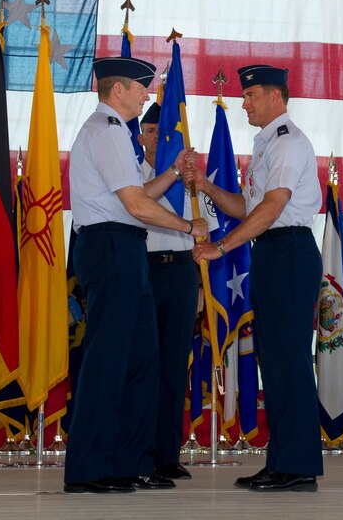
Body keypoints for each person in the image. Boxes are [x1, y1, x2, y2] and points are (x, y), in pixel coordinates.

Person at [64, 57, 207, 494]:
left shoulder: (117, 134)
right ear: (118, 91)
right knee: (108, 360)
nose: (148, 95)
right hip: (110, 246)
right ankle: (89, 468)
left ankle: (128, 462)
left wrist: (169, 171)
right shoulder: (106, 132)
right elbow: (135, 205)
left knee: (140, 360)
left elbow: (140, 192)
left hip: (126, 249)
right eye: (141, 88)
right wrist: (188, 227)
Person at [189, 64, 323, 492]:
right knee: (276, 361)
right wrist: (207, 189)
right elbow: (247, 207)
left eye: (251, 96)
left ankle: (298, 465)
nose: (244, 102)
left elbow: (273, 206)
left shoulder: (288, 143)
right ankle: (283, 461)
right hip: (272, 252)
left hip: (289, 251)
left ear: (276, 98)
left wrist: (222, 248)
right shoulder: (266, 144)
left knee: (291, 361)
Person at [137, 103, 202, 480]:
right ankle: (141, 454)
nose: (156, 139)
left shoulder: (190, 180)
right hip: (144, 271)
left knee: (175, 367)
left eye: (163, 133)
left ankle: (167, 455)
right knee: (144, 365)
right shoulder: (132, 173)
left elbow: (204, 223)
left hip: (179, 271)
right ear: (141, 135)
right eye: (149, 131)